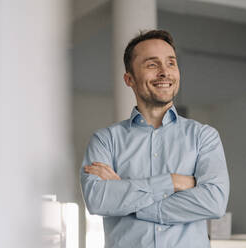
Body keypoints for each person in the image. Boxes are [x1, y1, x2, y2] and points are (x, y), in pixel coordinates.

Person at [80, 30, 230, 248]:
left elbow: (214, 203)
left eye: (171, 63)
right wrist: (174, 182)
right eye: (152, 65)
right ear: (129, 78)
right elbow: (98, 200)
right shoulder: (105, 141)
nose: (164, 72)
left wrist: (125, 194)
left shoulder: (204, 137)